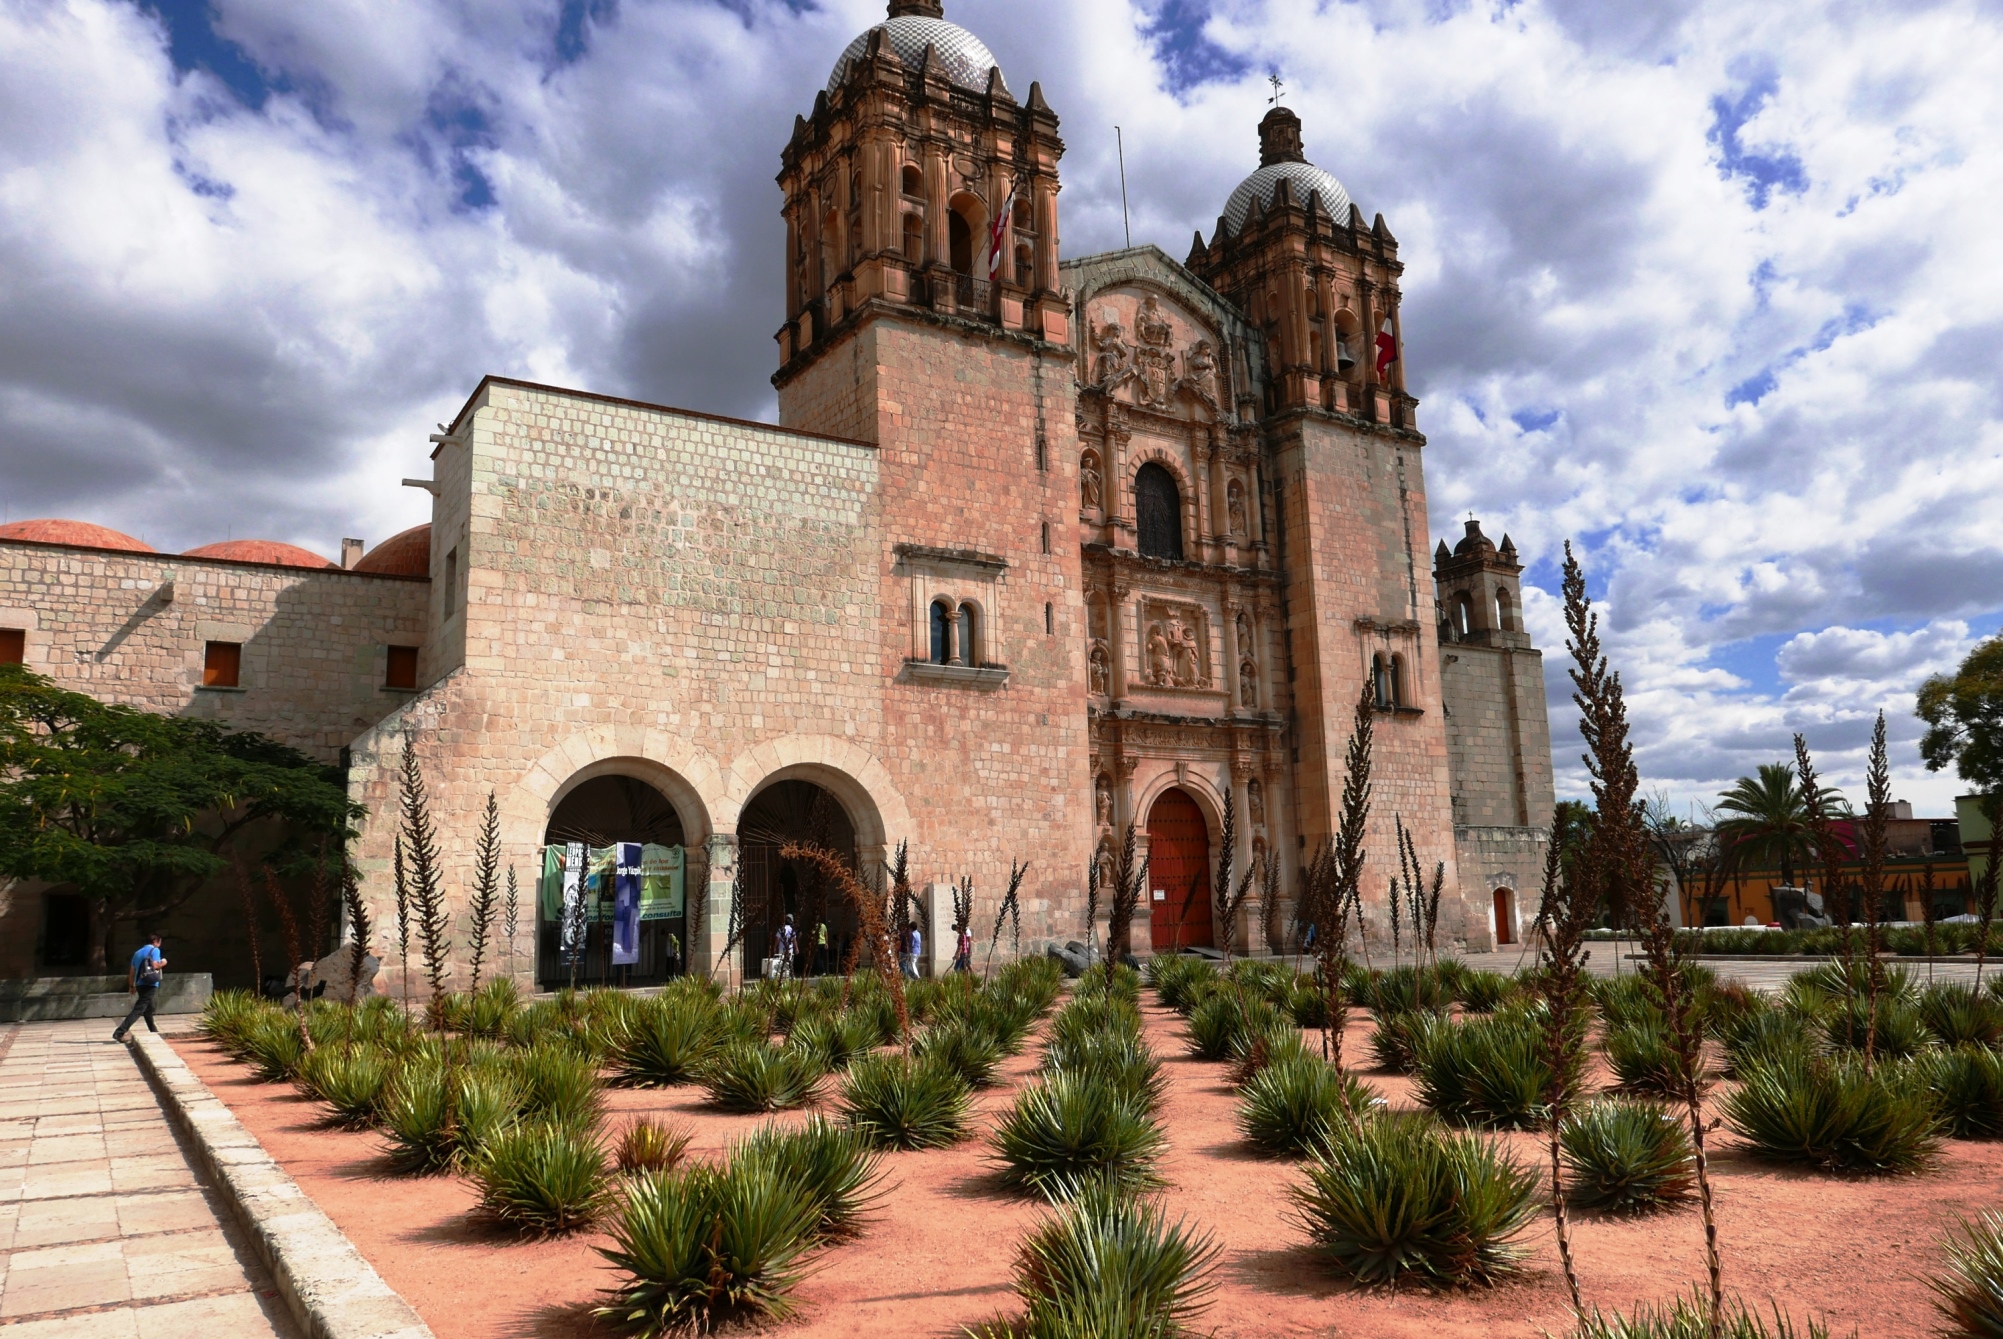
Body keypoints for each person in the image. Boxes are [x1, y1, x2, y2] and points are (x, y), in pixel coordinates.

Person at [113, 933, 166, 1042]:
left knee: (148, 1008)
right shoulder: (155, 950)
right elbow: (156, 965)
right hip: (150, 984)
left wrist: (131, 986)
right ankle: (119, 1032)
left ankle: (153, 1031)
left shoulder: (137, 953)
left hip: (140, 983)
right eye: (159, 942)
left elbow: (132, 972)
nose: (159, 945)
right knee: (139, 1009)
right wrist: (164, 962)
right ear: (155, 941)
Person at [775, 915, 798, 981]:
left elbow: (777, 939)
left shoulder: (781, 929)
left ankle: (782, 977)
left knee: (781, 963)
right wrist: (796, 948)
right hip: (790, 949)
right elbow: (794, 940)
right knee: (789, 962)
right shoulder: (792, 930)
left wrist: (775, 947)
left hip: (782, 949)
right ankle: (790, 976)